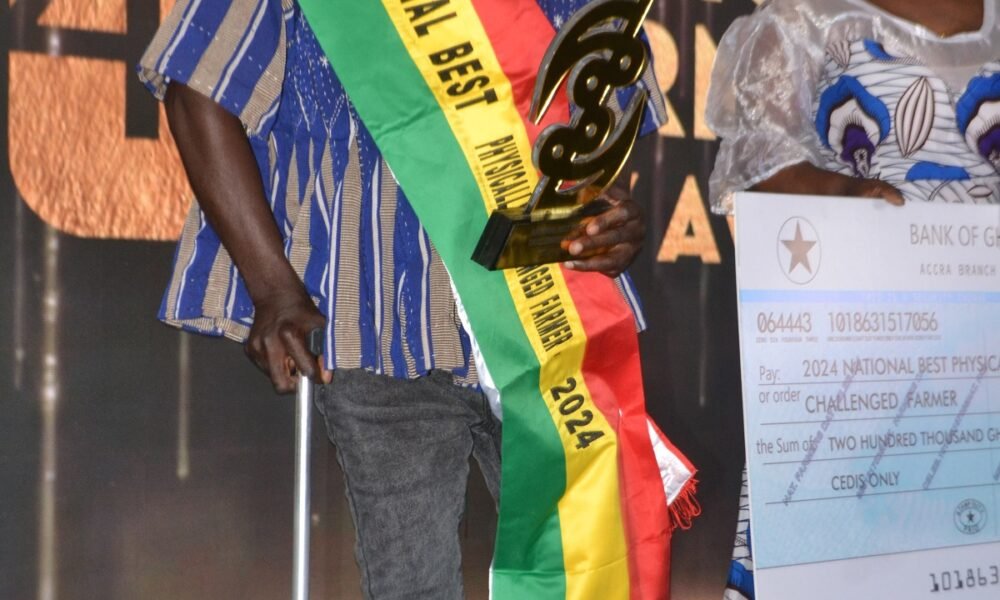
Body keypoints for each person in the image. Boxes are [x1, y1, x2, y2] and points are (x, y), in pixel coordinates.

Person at [138, 1, 665, 597]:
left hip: (547, 312)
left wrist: (611, 220)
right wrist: (274, 287)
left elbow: (602, 122)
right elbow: (195, 86)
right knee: (413, 588)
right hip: (380, 318)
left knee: (592, 578)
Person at [705, 1, 1000, 598]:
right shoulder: (804, 18)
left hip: (983, 380)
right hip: (854, 389)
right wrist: (851, 196)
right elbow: (758, 181)